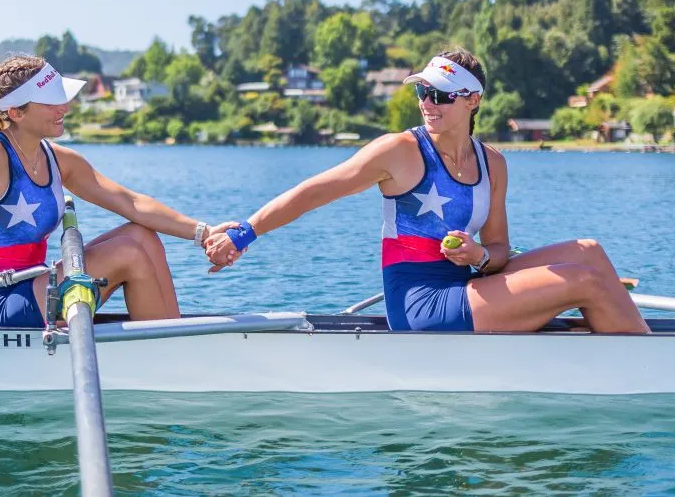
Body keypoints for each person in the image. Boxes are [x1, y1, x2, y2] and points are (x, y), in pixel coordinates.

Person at [204, 50, 650, 334]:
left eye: (440, 95)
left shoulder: (493, 162)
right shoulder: (399, 151)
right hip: (421, 305)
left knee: (589, 252)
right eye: (423, 91)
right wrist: (244, 234)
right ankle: (645, 360)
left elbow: (498, 250)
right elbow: (312, 192)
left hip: (470, 284)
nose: (427, 103)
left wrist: (476, 256)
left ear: (472, 101)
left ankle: (618, 335)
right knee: (585, 281)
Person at [0, 55, 233, 332]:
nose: (64, 107)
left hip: (35, 285)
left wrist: (204, 232)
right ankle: (166, 351)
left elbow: (130, 202)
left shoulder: (58, 159)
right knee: (128, 251)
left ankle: (169, 336)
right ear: (15, 112)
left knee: (140, 236)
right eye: (52, 102)